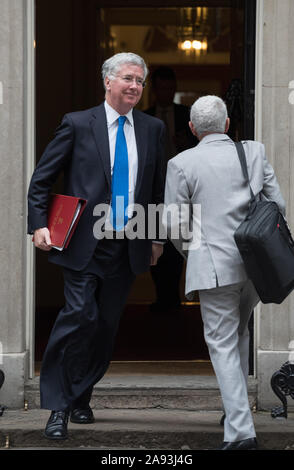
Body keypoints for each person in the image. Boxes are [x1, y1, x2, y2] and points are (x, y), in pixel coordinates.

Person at [27, 52, 165, 440]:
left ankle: (80, 394)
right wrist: (38, 225)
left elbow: (155, 188)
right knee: (78, 317)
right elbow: (42, 179)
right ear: (108, 81)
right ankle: (58, 408)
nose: (135, 86)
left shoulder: (152, 129)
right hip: (83, 244)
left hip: (127, 245)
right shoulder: (77, 124)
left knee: (104, 328)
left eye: (140, 81)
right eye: (128, 79)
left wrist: (155, 236)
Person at [163, 95, 286, 450]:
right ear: (228, 124)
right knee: (239, 336)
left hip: (215, 267)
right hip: (257, 265)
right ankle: (236, 411)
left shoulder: (181, 163)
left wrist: (194, 252)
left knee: (222, 344)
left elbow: (174, 225)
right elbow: (277, 206)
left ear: (191, 129)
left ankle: (241, 432)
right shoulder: (254, 152)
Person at [145, 66, 198, 313]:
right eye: (161, 88)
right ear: (154, 90)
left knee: (177, 244)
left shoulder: (188, 116)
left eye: (170, 88)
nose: (166, 92)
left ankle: (173, 297)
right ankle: (161, 296)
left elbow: (201, 151)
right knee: (154, 244)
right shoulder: (142, 117)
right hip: (152, 191)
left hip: (182, 191)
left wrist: (187, 144)